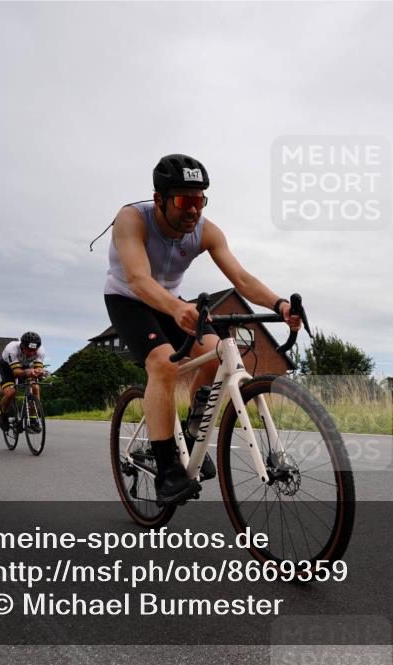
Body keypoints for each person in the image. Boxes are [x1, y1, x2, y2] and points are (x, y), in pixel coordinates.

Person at [104, 153, 301, 506]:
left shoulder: (206, 231)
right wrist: (178, 308)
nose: (194, 210)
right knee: (163, 363)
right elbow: (137, 278)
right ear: (159, 199)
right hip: (129, 300)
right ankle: (166, 469)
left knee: (218, 353)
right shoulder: (131, 219)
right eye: (184, 201)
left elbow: (241, 279)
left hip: (172, 300)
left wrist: (279, 304)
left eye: (200, 201)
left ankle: (194, 435)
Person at [0, 332, 46, 433]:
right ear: (22, 346)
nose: (32, 353)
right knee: (11, 393)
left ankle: (33, 419)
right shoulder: (11, 349)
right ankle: (3, 414)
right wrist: (27, 372)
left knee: (35, 388)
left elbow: (38, 368)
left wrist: (39, 372)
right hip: (7, 368)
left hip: (25, 366)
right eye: (29, 350)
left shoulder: (40, 351)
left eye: (34, 350)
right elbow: (16, 372)